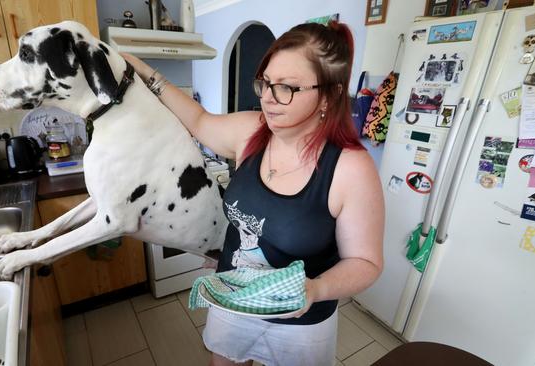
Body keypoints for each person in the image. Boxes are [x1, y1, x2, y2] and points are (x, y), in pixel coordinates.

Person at [123, 20, 384, 366]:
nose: (267, 99)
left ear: (330, 94)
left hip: (299, 321)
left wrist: (315, 290)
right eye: (265, 83)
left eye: (286, 88)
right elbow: (199, 121)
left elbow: (365, 262)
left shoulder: (350, 168)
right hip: (233, 299)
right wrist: (147, 74)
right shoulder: (252, 132)